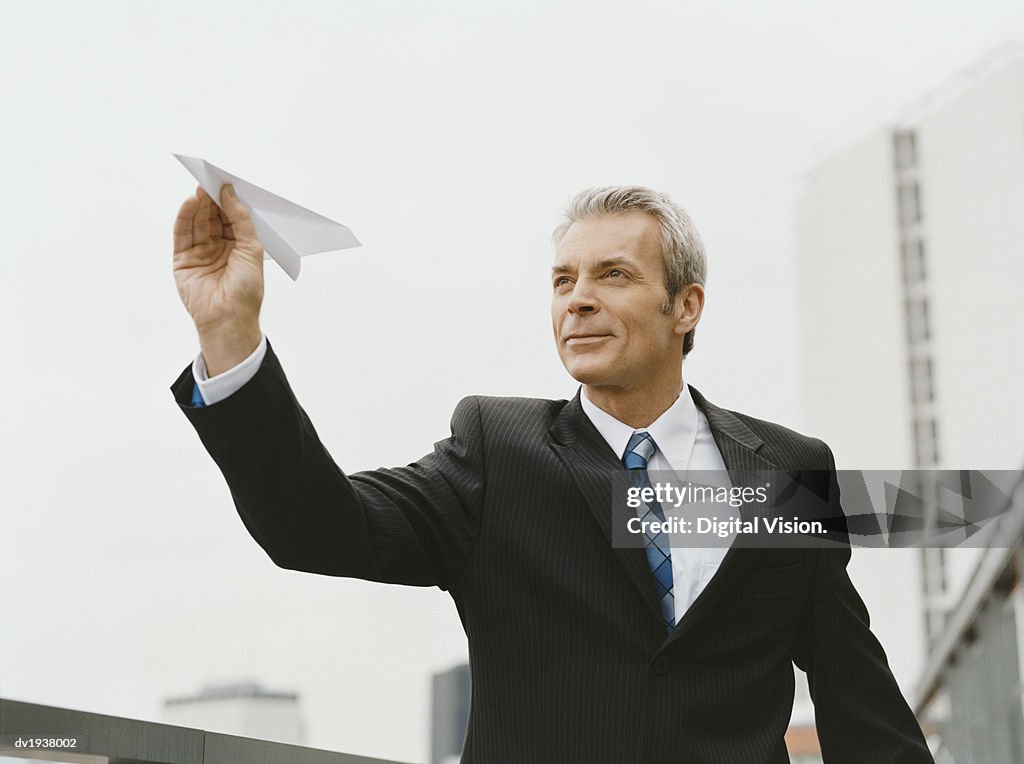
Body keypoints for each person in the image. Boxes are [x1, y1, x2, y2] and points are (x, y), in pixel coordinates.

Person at [170, 184, 934, 763]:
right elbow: (317, 526)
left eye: (613, 275)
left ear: (686, 306)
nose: (580, 300)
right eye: (563, 280)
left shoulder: (788, 470)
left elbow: (858, 701)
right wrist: (231, 335)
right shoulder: (497, 452)